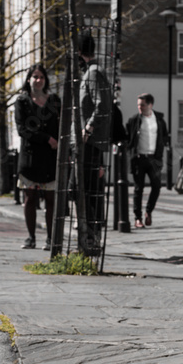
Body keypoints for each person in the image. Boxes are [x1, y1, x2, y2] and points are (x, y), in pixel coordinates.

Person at [15, 63, 60, 249]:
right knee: (30, 199)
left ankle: (50, 238)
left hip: (50, 158)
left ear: (45, 80)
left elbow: (61, 125)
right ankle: (31, 237)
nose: (38, 80)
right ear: (28, 79)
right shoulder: (22, 102)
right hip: (30, 158)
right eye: (35, 76)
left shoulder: (55, 101)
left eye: (41, 76)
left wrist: (57, 141)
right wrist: (47, 138)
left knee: (51, 200)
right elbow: (22, 129)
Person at [79, 35, 113, 251]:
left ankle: (93, 236)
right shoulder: (89, 73)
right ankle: (89, 234)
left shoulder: (93, 73)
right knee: (83, 189)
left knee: (90, 190)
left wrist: (88, 129)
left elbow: (103, 105)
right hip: (87, 143)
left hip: (91, 143)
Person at [125, 92, 169, 228]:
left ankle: (148, 211)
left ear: (150, 105)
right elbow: (128, 138)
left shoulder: (160, 120)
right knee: (138, 189)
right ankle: (138, 219)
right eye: (138, 105)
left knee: (156, 187)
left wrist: (161, 153)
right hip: (139, 158)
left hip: (154, 159)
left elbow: (165, 137)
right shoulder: (134, 121)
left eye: (143, 105)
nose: (140, 107)